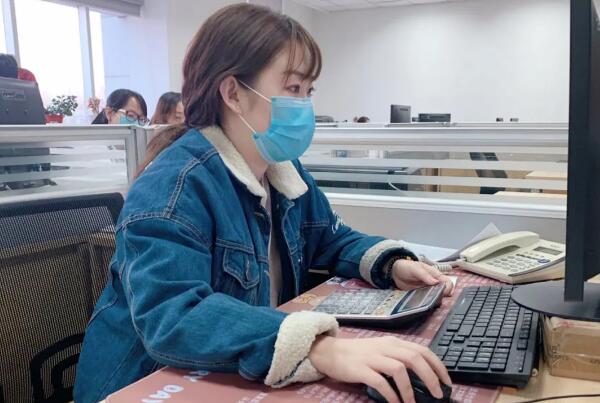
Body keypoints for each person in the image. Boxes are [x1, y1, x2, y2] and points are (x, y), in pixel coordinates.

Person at [75, 4, 454, 403]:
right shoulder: (174, 185)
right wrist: (318, 347)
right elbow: (173, 315)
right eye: (293, 89)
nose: (305, 105)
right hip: (143, 384)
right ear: (233, 93)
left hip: (232, 373)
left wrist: (392, 264)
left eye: (308, 91)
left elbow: (331, 238)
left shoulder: (281, 171)